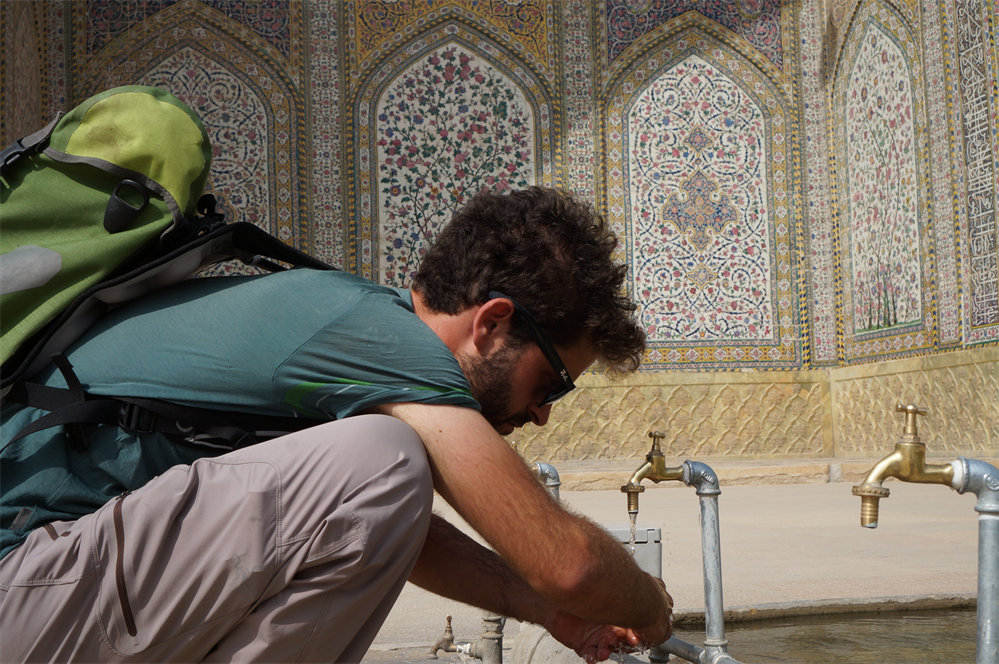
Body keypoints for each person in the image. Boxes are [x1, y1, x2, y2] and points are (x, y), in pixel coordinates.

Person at [0, 186, 673, 663]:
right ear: (492, 323)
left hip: (49, 589)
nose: (542, 413)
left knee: (386, 471)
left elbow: (393, 532)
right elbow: (569, 565)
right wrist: (646, 605)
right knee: (385, 459)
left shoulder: (351, 328)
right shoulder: (383, 341)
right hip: (25, 584)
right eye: (550, 382)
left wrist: (544, 611)